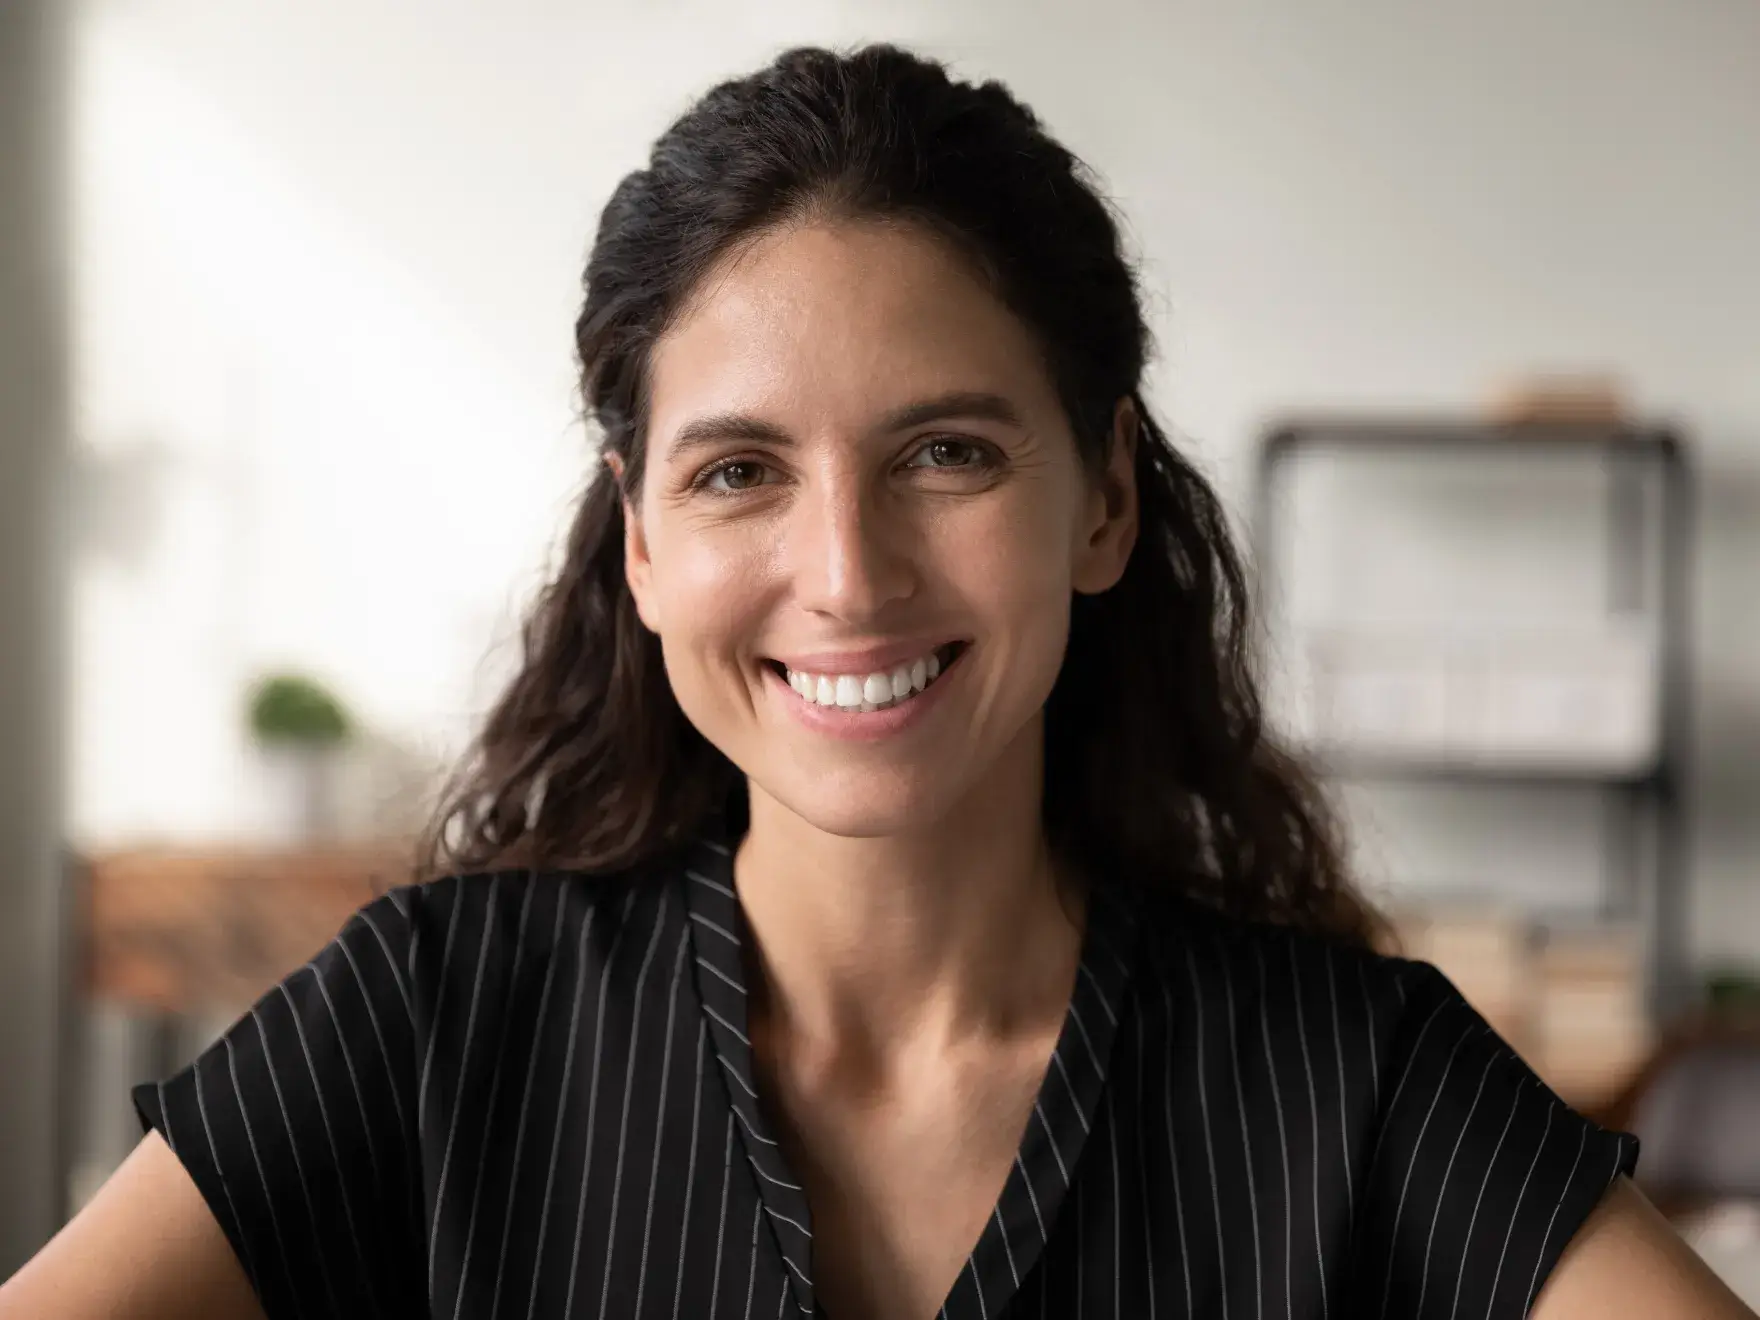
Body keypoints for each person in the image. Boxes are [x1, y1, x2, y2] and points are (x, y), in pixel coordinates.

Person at [2, 42, 1750, 1320]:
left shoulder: (1354, 1085)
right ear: (640, 541)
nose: (846, 573)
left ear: (1106, 499)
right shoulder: (433, 1022)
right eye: (738, 471)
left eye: (945, 453)